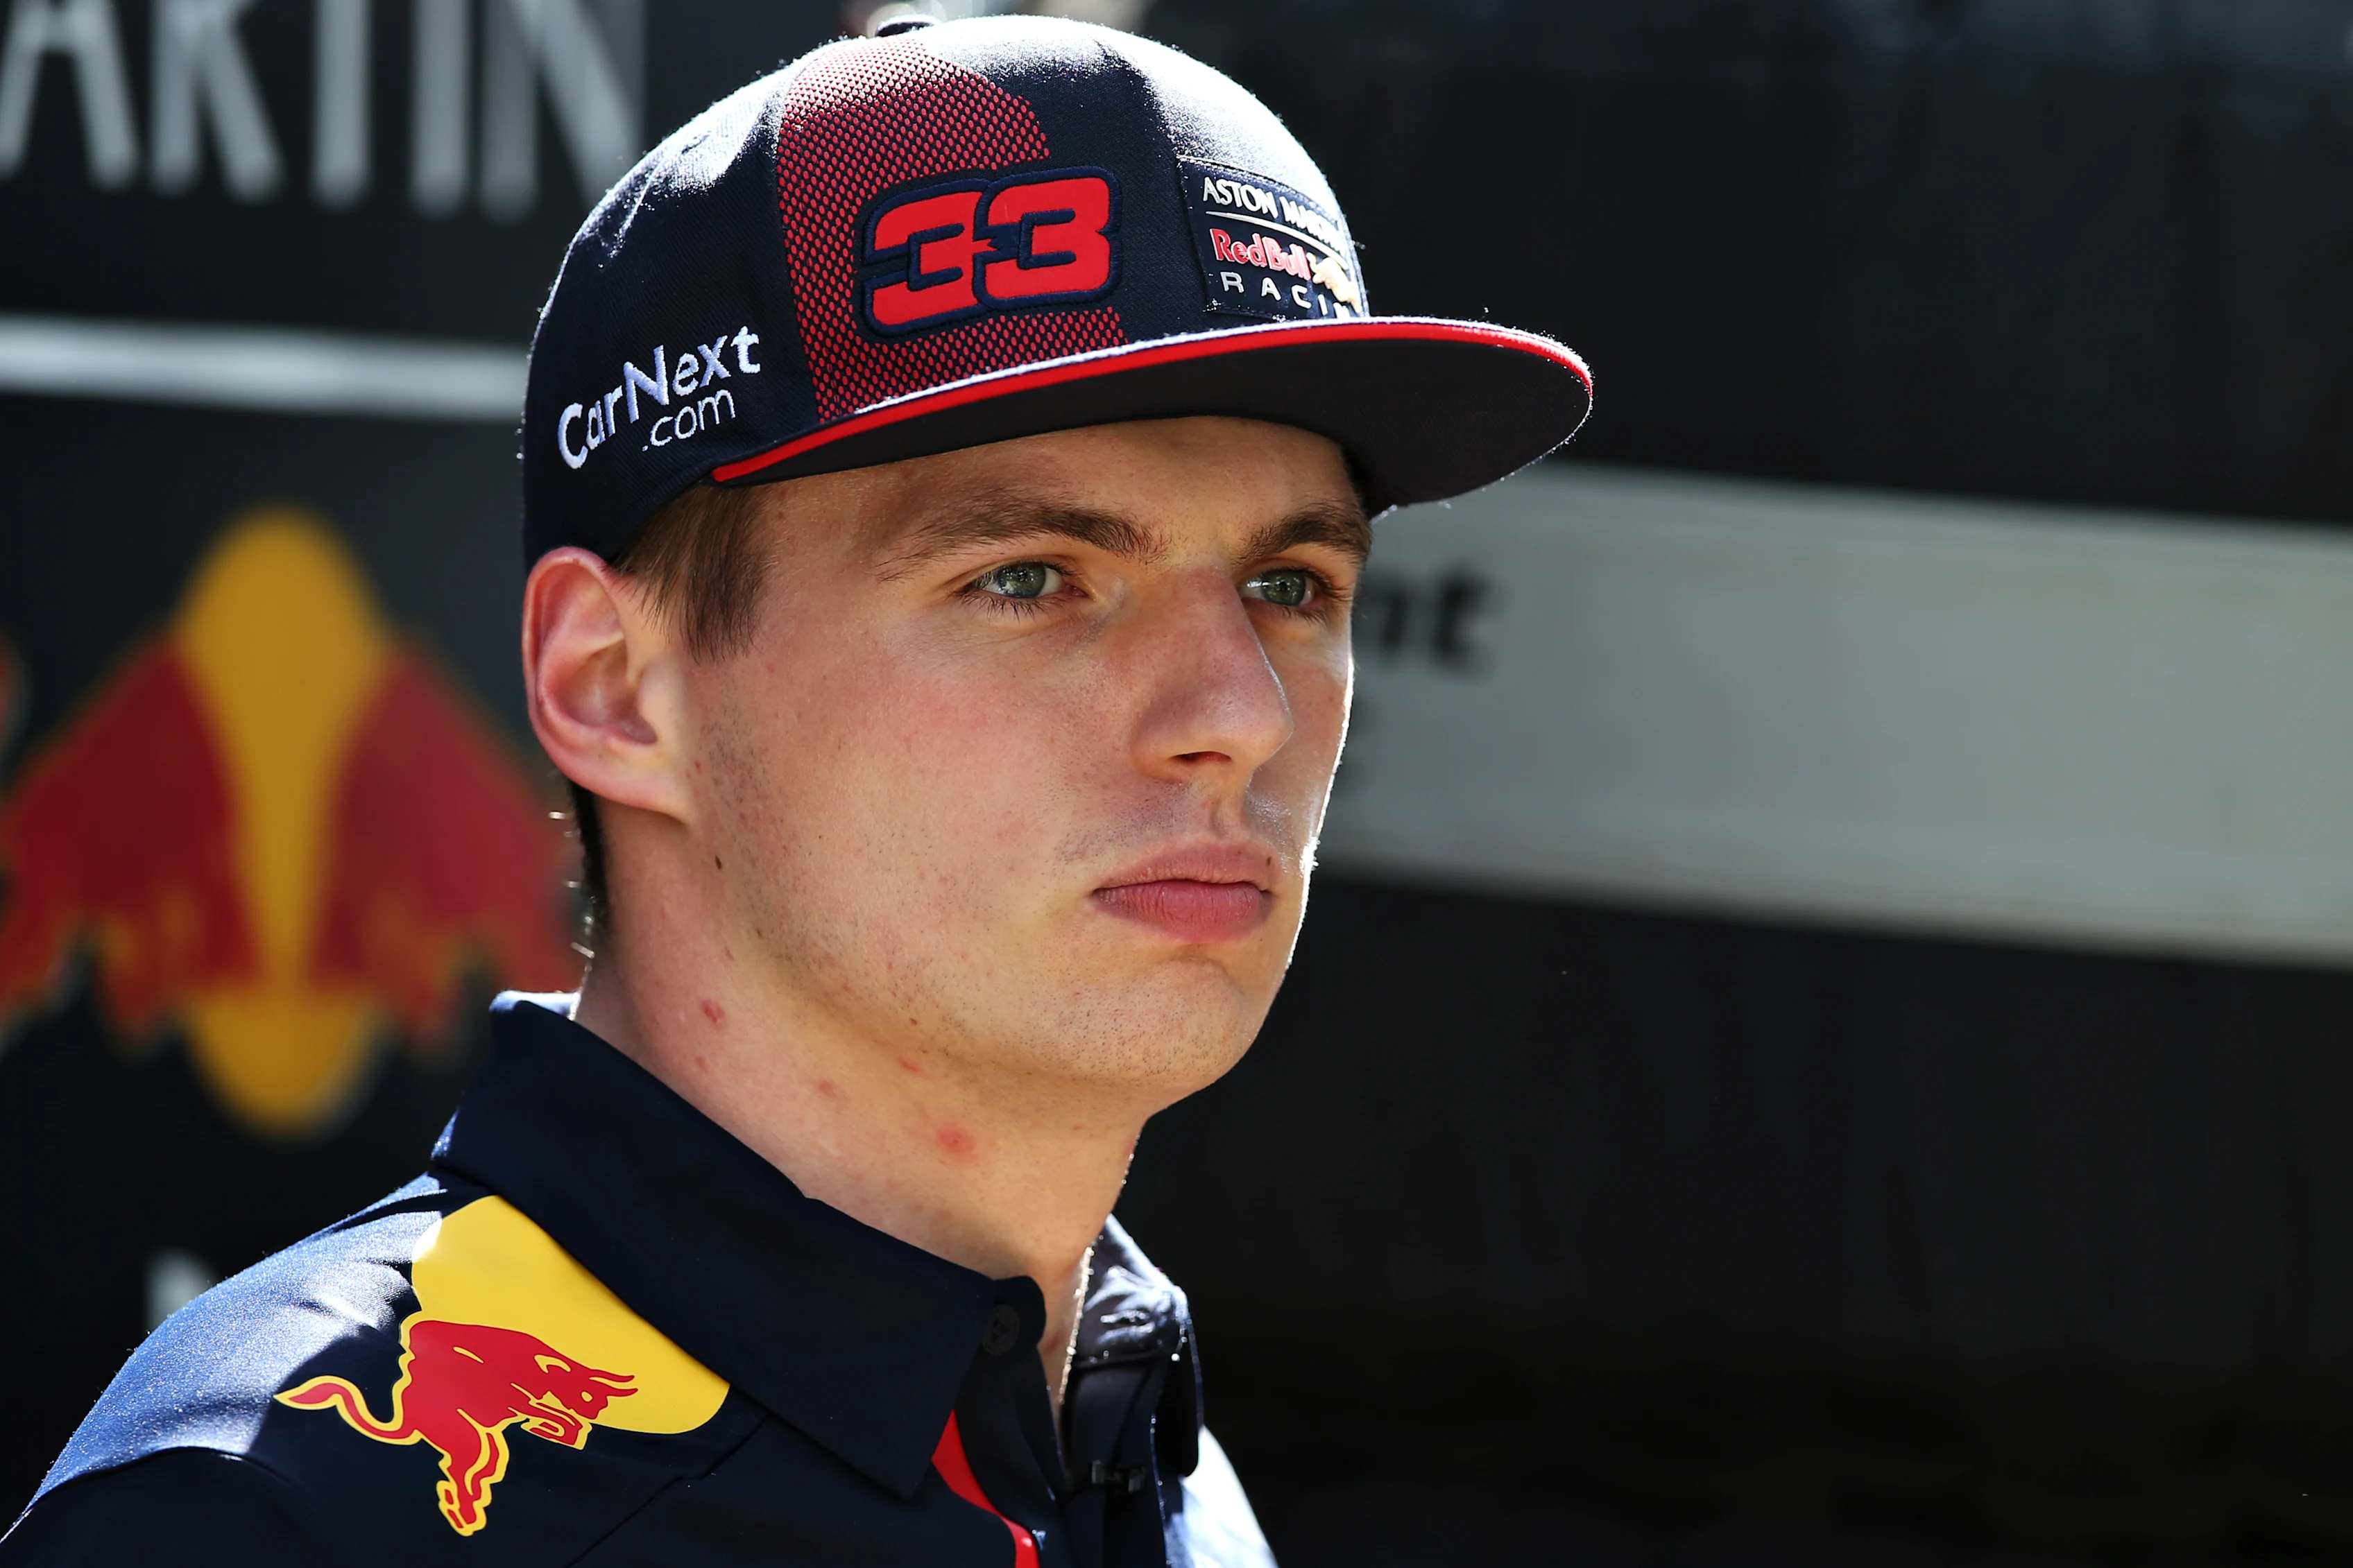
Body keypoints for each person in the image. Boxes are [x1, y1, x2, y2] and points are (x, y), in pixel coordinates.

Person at [0, 15, 1587, 1566]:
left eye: (1291, 583)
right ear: (617, 688)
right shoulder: (284, 1512)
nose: (1236, 713)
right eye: (1030, 575)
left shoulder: (1138, 1449)